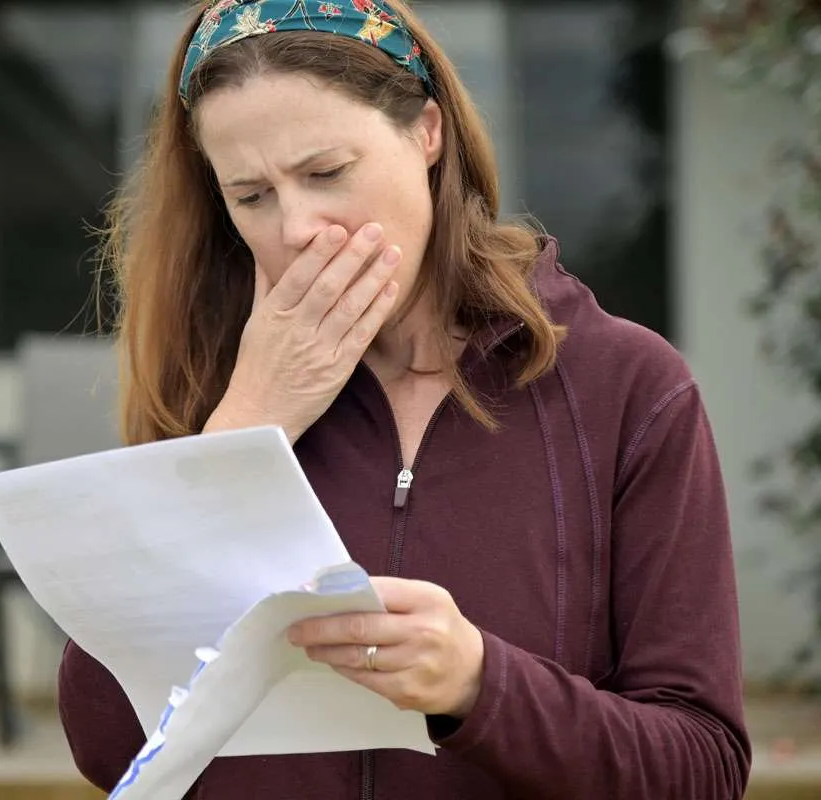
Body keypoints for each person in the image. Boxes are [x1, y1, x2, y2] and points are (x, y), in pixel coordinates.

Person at [60, 0, 752, 797]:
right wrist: (247, 430)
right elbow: (108, 744)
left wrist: (480, 685)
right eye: (251, 196)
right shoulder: (213, 388)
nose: (297, 228)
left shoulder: (629, 388)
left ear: (428, 133)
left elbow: (700, 770)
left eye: (326, 173)